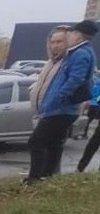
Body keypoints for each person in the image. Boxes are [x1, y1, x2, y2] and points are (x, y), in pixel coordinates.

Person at [29, 20, 96, 183]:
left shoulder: (80, 53)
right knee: (54, 144)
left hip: (60, 109)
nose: (56, 45)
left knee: (36, 141)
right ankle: (48, 176)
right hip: (57, 108)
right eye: (53, 42)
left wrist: (59, 97)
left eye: (70, 35)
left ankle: (35, 177)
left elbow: (76, 79)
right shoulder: (75, 53)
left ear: (78, 35)